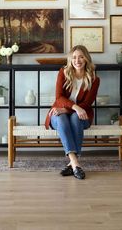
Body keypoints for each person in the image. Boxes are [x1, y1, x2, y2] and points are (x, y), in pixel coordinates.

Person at [45, 45, 100, 180]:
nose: (77, 60)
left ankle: (72, 164)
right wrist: (74, 107)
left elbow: (86, 104)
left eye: (81, 57)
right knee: (63, 118)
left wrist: (70, 109)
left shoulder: (94, 79)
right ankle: (76, 163)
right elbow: (59, 97)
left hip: (82, 115)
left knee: (75, 118)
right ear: (70, 60)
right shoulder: (63, 73)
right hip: (58, 113)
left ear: (86, 58)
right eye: (74, 57)